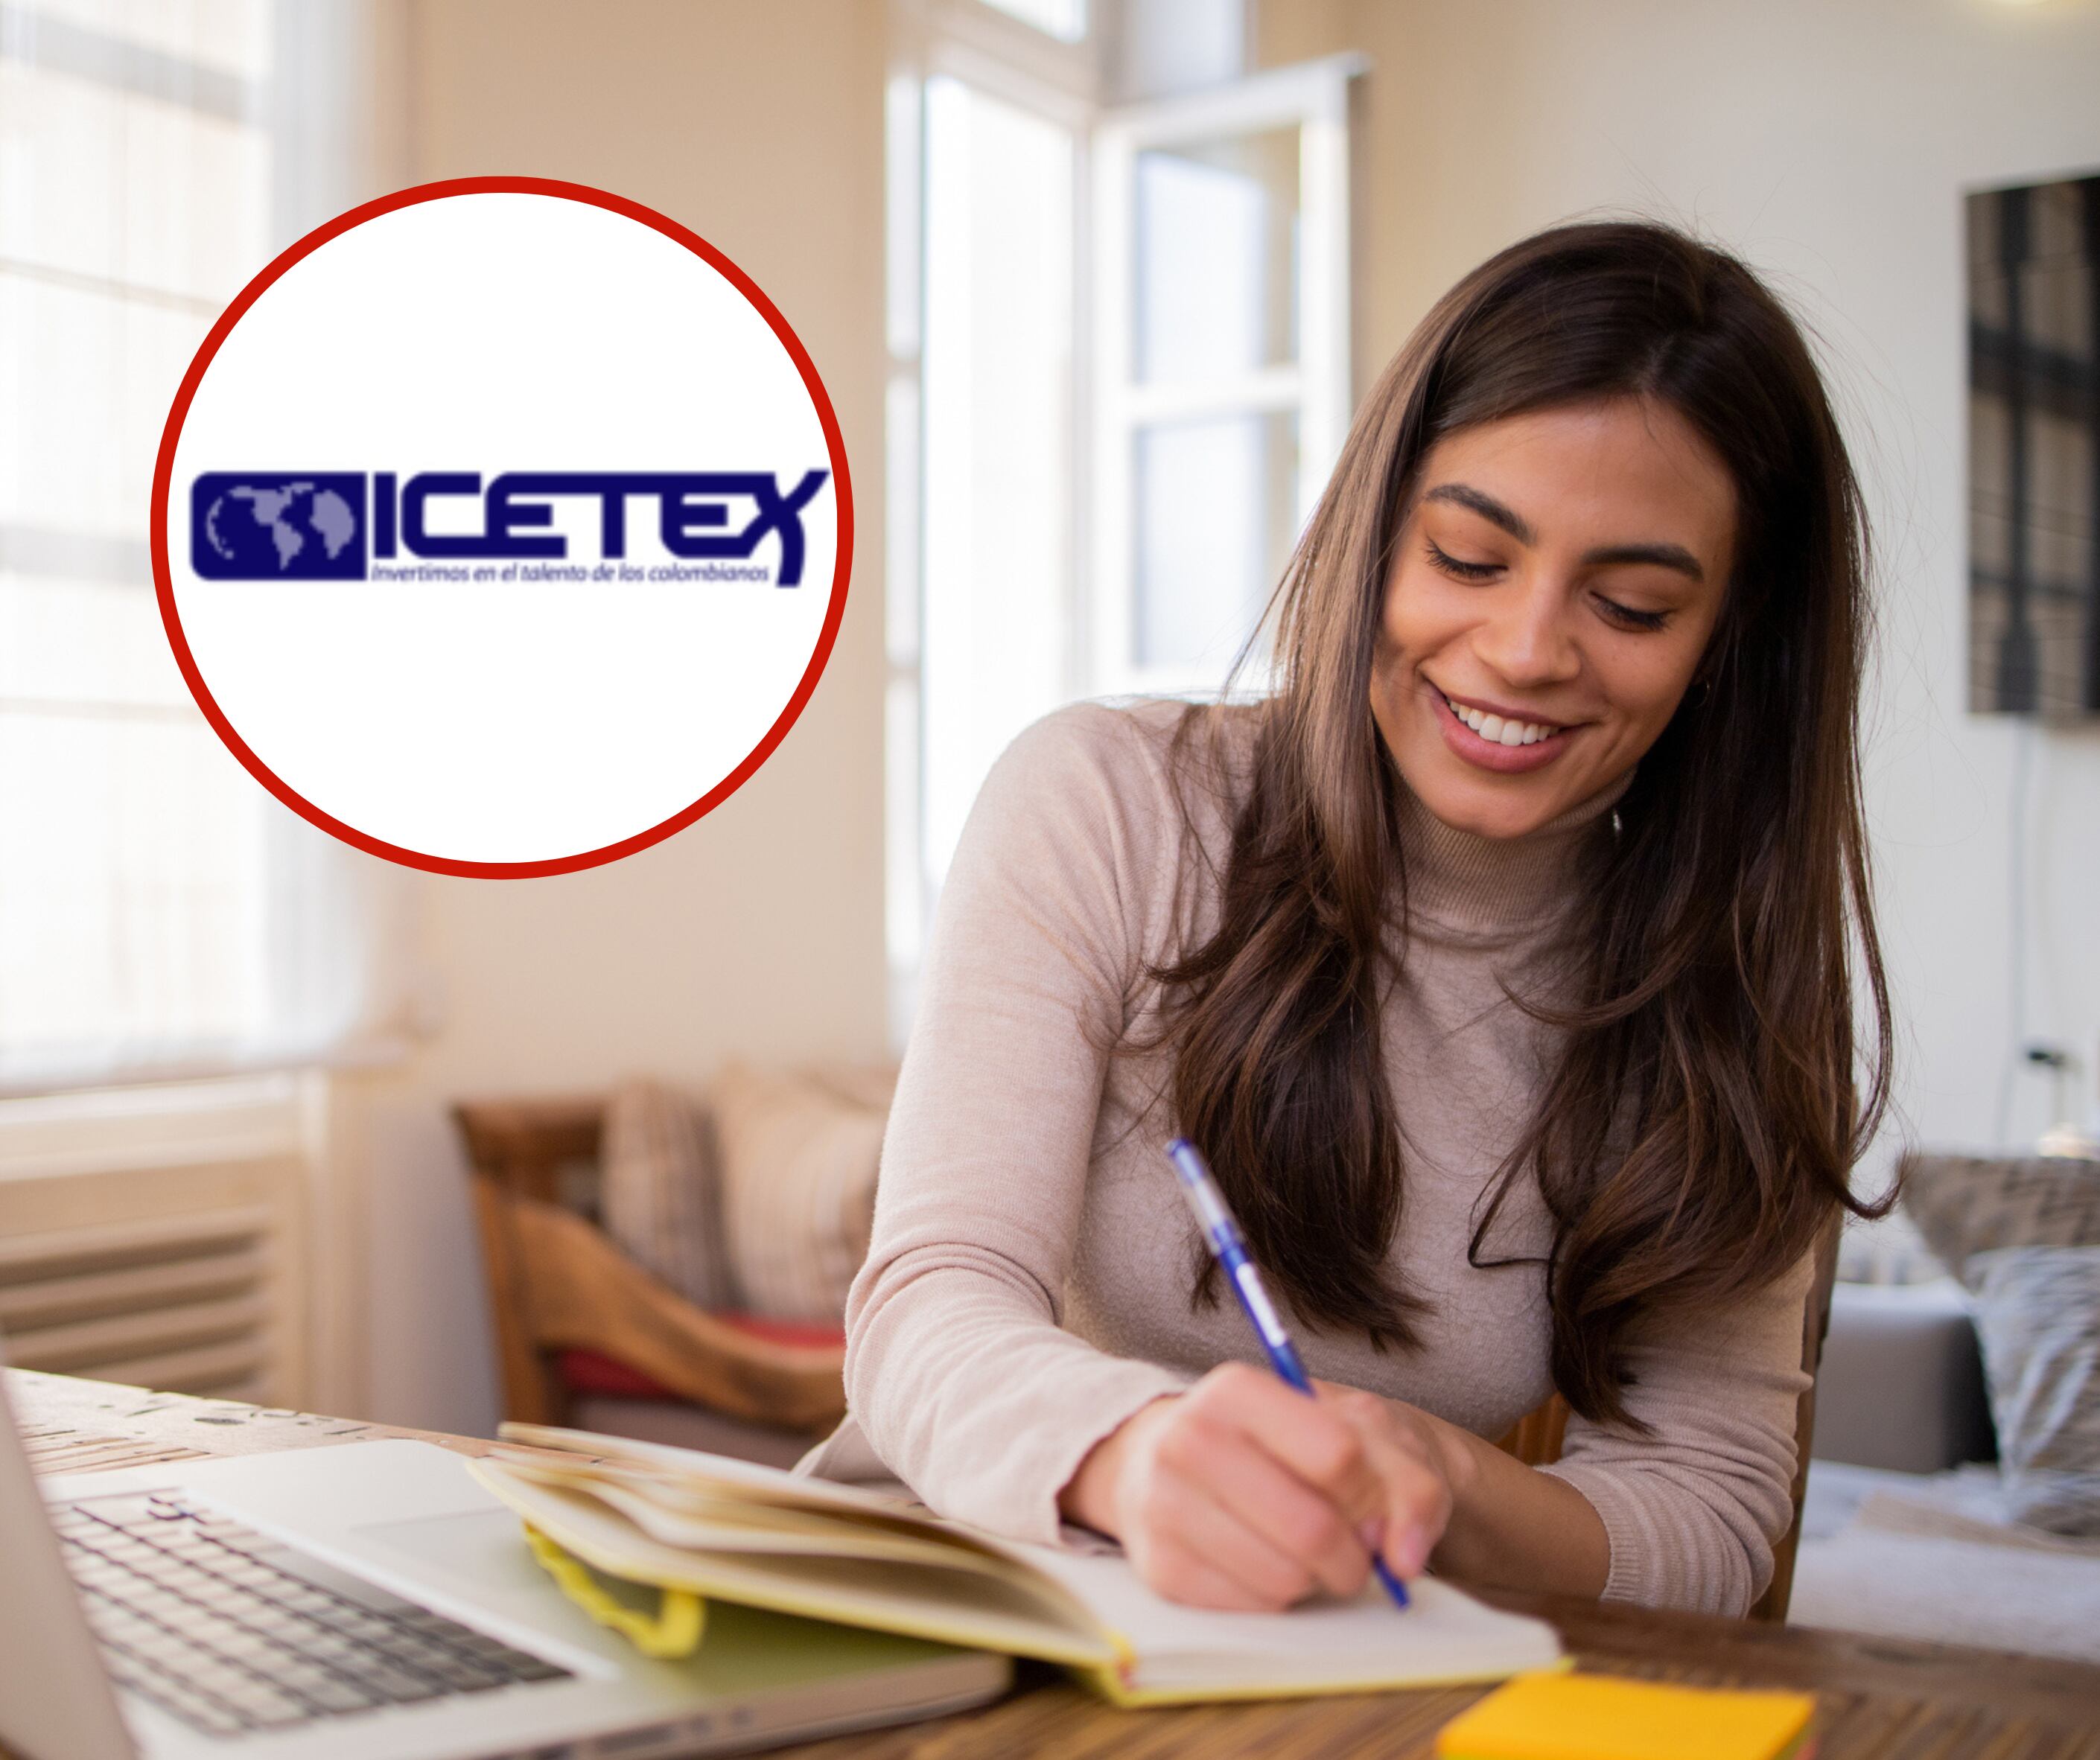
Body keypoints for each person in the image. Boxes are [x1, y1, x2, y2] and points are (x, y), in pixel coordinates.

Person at [801, 219, 1894, 1619]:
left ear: (1730, 643)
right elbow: (929, 1303)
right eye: (1468, 558)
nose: (1525, 652)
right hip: (952, 1600)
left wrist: (1441, 1484)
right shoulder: (1107, 803)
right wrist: (1133, 1457)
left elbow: (1713, 1512)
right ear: (1372, 536)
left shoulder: (1726, 986)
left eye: (1630, 605)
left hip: (1332, 1661)